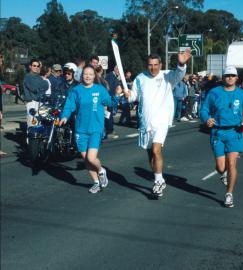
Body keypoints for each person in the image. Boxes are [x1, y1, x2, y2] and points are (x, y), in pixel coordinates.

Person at [123, 50, 191, 197]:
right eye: (150, 65)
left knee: (155, 150)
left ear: (161, 64)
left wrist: (181, 63)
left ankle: (159, 181)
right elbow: (134, 96)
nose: (153, 68)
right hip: (145, 122)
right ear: (147, 65)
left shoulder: (167, 76)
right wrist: (127, 95)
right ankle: (158, 178)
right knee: (150, 155)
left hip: (162, 120)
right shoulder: (140, 78)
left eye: (155, 65)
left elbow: (179, 74)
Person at [200, 66, 243, 208]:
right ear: (223, 77)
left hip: (235, 133)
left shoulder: (242, 94)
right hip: (218, 133)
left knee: (232, 163)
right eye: (227, 75)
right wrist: (206, 118)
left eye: (232, 75)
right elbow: (204, 109)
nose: (230, 78)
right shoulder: (214, 93)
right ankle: (224, 174)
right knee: (221, 167)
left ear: (236, 78)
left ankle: (229, 194)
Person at [59, 65, 121, 194]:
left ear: (94, 76)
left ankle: (101, 170)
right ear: (82, 76)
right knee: (86, 159)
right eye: (85, 74)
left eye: (90, 74)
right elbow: (69, 105)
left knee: (91, 159)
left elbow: (111, 103)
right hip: (81, 129)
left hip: (95, 128)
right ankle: (96, 182)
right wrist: (64, 116)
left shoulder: (100, 90)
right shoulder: (76, 90)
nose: (87, 76)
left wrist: (117, 95)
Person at [23, 58, 49, 128]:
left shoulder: (38, 77)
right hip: (32, 103)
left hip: (40, 102)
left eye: (38, 66)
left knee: (42, 124)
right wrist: (43, 83)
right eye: (34, 66)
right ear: (30, 66)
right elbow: (35, 88)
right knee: (32, 126)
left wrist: (43, 84)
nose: (36, 67)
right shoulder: (28, 77)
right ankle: (30, 139)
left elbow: (47, 85)